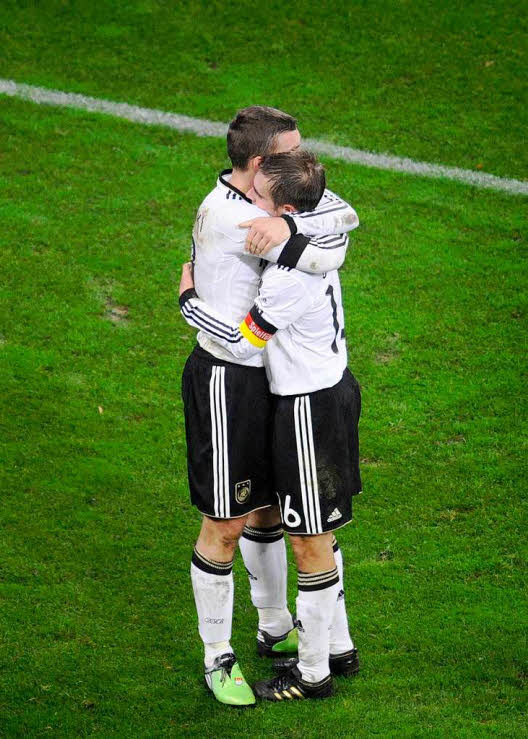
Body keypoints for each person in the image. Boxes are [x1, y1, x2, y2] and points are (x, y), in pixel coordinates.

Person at [179, 105, 359, 707]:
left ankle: (279, 629)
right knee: (226, 523)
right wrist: (188, 304)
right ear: (261, 168)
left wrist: (295, 228)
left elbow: (341, 214)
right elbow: (328, 250)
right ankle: (217, 658)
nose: (301, 163)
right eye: (290, 154)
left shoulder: (277, 206)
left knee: (272, 514)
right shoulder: (238, 221)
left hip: (284, 386)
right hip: (231, 380)